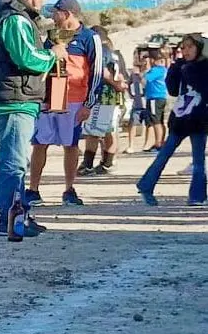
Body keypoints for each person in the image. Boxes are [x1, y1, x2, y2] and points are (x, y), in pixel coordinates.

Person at [0, 0, 67, 238]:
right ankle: (10, 219)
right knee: (13, 162)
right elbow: (26, 58)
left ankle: (18, 216)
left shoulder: (11, 16)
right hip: (13, 99)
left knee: (14, 160)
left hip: (13, 97)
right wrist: (53, 54)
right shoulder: (14, 19)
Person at [26, 0, 102, 208]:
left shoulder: (89, 37)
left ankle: (69, 189)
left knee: (71, 145)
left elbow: (97, 71)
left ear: (67, 13)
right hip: (49, 99)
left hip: (75, 100)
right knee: (39, 143)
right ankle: (33, 190)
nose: (52, 16)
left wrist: (89, 103)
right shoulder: (50, 38)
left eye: (56, 12)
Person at [137, 33, 207, 206]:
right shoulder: (181, 66)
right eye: (184, 47)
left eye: (191, 47)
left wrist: (188, 70)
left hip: (199, 118)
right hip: (182, 118)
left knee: (198, 160)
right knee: (164, 154)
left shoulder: (204, 66)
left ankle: (197, 196)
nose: (187, 51)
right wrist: (176, 70)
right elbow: (173, 90)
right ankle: (146, 185)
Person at [80, 35, 127, 176]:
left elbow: (104, 73)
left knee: (93, 132)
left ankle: (88, 165)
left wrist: (114, 84)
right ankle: (108, 163)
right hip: (112, 98)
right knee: (108, 131)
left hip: (102, 96)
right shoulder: (116, 54)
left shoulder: (102, 51)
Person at [145, 51, 170, 151]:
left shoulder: (155, 70)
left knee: (156, 121)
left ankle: (158, 143)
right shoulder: (164, 70)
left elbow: (145, 79)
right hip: (162, 96)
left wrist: (145, 69)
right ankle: (161, 141)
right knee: (160, 120)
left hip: (154, 97)